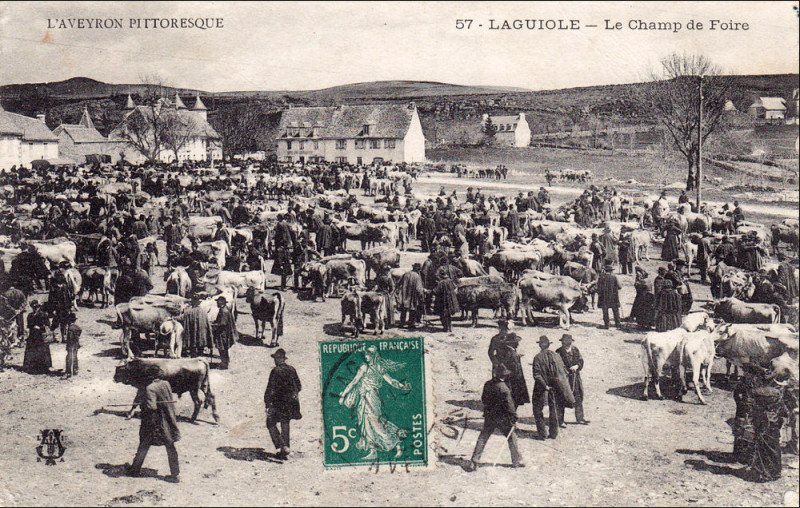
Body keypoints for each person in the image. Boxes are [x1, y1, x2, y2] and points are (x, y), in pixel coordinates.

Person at [339, 346, 410, 461]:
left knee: (376, 424)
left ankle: (396, 442)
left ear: (374, 355)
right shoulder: (364, 367)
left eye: (368, 355)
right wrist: (344, 394)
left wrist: (402, 386)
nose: (366, 357)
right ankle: (373, 451)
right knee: (366, 424)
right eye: (366, 355)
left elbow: (391, 381)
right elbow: (354, 382)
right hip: (363, 398)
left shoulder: (379, 368)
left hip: (372, 397)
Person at [465, 364, 525, 472]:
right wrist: (514, 416)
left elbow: (484, 399)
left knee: (483, 437)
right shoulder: (504, 388)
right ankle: (516, 461)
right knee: (511, 437)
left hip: (490, 416)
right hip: (503, 418)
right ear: (504, 376)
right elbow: (509, 405)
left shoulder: (487, 384)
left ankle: (474, 461)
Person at [126, 378, 181, 483]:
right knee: (170, 445)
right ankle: (175, 474)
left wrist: (143, 406)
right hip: (167, 418)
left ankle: (134, 470)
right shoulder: (165, 383)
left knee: (144, 444)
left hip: (155, 422)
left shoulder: (150, 388)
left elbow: (151, 407)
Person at [748, 376, 788, 482]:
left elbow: (751, 407)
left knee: (761, 448)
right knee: (774, 447)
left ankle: (762, 473)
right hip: (773, 422)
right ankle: (775, 472)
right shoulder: (776, 393)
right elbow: (783, 410)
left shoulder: (756, 392)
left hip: (761, 421)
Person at [264, 348, 302, 460]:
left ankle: (281, 445)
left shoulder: (275, 371)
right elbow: (299, 386)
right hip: (290, 403)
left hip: (278, 402)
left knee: (270, 423)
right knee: (285, 423)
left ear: (278, 359)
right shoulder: (292, 369)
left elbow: (270, 388)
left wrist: (267, 402)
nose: (274, 361)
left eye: (275, 358)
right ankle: (286, 447)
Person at [531, 335, 569, 440]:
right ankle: (554, 433)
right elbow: (564, 371)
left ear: (540, 345)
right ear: (549, 344)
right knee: (554, 410)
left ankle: (542, 434)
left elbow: (537, 375)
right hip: (555, 387)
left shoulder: (537, 357)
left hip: (541, 388)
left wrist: (545, 385)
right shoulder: (556, 355)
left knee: (537, 409)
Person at [487, 319, 530, 408]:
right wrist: (496, 364)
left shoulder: (512, 338)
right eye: (503, 329)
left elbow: (518, 349)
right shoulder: (495, 339)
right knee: (501, 383)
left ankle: (514, 402)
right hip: (501, 364)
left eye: (506, 329)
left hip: (512, 364)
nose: (505, 331)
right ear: (500, 328)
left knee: (515, 383)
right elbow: (491, 352)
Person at [556, 334, 589, 426]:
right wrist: (564, 371)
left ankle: (580, 418)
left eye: (568, 342)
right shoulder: (558, 352)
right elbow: (556, 365)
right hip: (564, 379)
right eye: (564, 342)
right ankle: (560, 420)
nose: (566, 344)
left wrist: (577, 366)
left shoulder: (575, 350)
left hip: (575, 378)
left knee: (578, 397)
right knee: (562, 398)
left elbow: (581, 361)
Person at [22, 300, 52, 374]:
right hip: (33, 335)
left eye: (36, 307)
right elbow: (29, 325)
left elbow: (48, 325)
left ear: (39, 307)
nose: (35, 308)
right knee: (32, 350)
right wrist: (32, 327)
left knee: (42, 350)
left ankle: (44, 366)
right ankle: (32, 365)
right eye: (34, 307)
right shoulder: (30, 315)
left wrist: (40, 327)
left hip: (41, 335)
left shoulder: (43, 315)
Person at [181, 294, 212, 358]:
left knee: (193, 349)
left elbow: (181, 318)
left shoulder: (189, 312)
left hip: (193, 335)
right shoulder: (203, 312)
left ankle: (194, 360)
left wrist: (173, 318)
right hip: (202, 334)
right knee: (201, 349)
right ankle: (200, 359)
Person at [397, 263, 425, 329]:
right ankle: (411, 323)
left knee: (404, 309)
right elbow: (418, 289)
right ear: (418, 269)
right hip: (413, 296)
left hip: (405, 294)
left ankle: (402, 322)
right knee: (413, 309)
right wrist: (421, 295)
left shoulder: (406, 274)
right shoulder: (417, 276)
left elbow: (398, 283)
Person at [212, 296, 237, 369]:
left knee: (222, 348)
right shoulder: (225, 309)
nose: (217, 303)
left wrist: (214, 325)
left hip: (223, 333)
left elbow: (222, 323)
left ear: (221, 302)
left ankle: (224, 364)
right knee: (224, 348)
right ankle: (225, 362)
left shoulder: (223, 311)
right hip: (225, 332)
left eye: (217, 302)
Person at [596, 259, 622, 329]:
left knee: (605, 311)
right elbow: (620, 287)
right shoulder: (614, 277)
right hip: (613, 297)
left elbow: (598, 288)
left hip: (604, 297)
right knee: (615, 310)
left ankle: (607, 325)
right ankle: (618, 324)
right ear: (611, 271)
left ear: (605, 270)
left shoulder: (601, 278)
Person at [63, 312, 81, 379]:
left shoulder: (70, 328)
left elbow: (70, 337)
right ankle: (75, 370)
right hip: (76, 344)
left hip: (71, 344)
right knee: (75, 357)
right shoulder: (77, 327)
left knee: (69, 357)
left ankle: (68, 372)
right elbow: (79, 333)